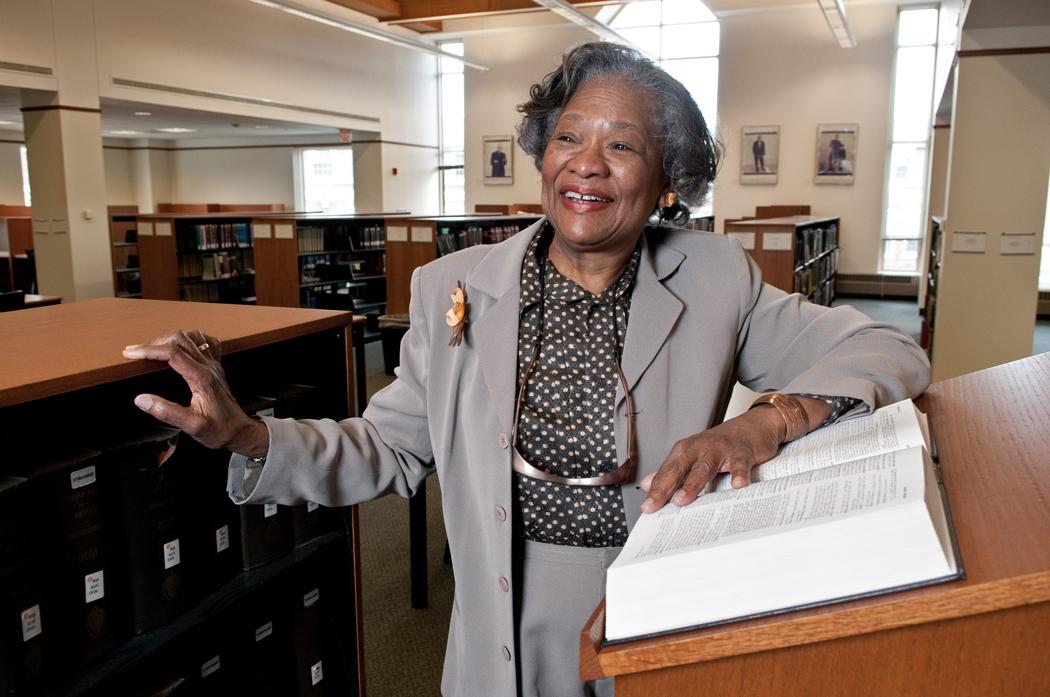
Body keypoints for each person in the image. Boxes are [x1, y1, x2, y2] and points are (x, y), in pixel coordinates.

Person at [122, 42, 929, 697]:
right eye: (570, 137)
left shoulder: (717, 278)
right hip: (500, 621)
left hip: (658, 603)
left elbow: (892, 350)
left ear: (667, 182)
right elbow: (388, 448)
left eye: (622, 145)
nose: (587, 165)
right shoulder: (452, 288)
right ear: (543, 154)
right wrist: (249, 435)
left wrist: (766, 421)